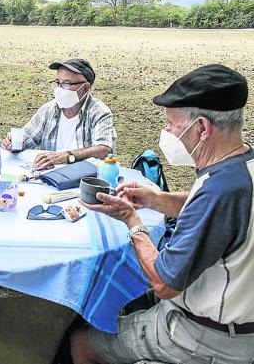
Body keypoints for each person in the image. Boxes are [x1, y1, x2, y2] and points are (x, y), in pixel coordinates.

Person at [71, 64, 254, 364]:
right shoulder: (241, 166)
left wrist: (132, 221)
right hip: (237, 322)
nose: (167, 133)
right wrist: (156, 199)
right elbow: (210, 210)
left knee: (81, 341)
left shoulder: (221, 190)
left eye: (172, 124)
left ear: (202, 129)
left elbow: (164, 283)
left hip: (204, 338)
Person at [1, 59, 116, 171]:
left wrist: (68, 156)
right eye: (57, 82)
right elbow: (28, 136)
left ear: (85, 88)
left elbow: (104, 150)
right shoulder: (49, 109)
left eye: (66, 83)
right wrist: (16, 142)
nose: (59, 89)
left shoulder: (99, 112)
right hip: (48, 175)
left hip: (83, 178)